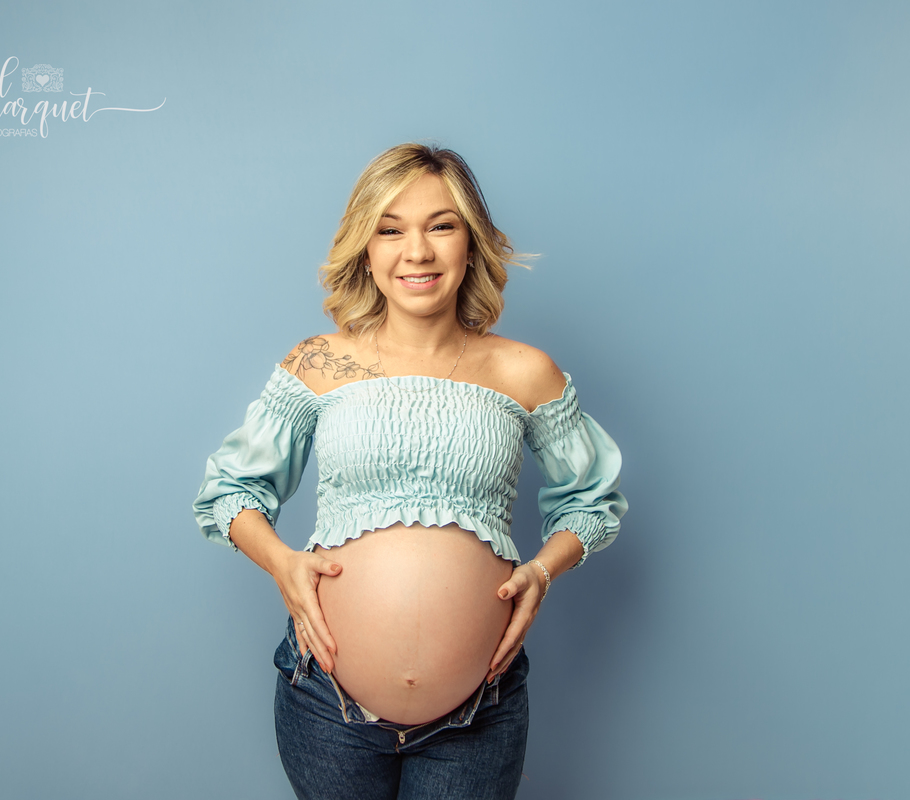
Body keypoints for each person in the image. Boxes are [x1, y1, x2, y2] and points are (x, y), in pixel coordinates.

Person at [192, 143, 627, 799]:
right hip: (326, 705)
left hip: (479, 711)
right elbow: (231, 490)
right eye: (390, 230)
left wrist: (541, 570)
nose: (416, 252)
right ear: (366, 247)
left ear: (471, 243)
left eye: (441, 226)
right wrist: (283, 564)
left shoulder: (525, 372)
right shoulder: (319, 363)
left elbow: (592, 501)